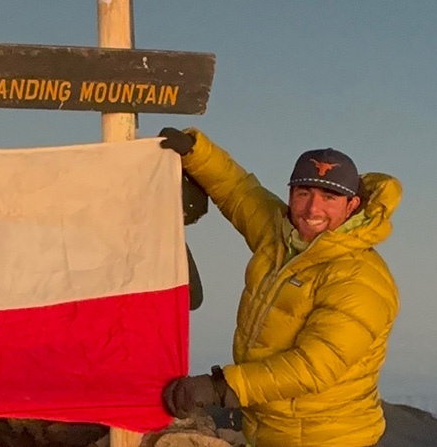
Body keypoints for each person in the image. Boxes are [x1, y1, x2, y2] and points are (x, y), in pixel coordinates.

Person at [158, 127, 400, 447]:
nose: (313, 209)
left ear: (352, 204)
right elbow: (238, 191)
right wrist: (195, 151)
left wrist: (220, 386)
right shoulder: (282, 236)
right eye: (303, 193)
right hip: (274, 427)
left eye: (328, 197)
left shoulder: (358, 278)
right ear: (290, 195)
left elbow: (313, 367)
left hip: (327, 437)